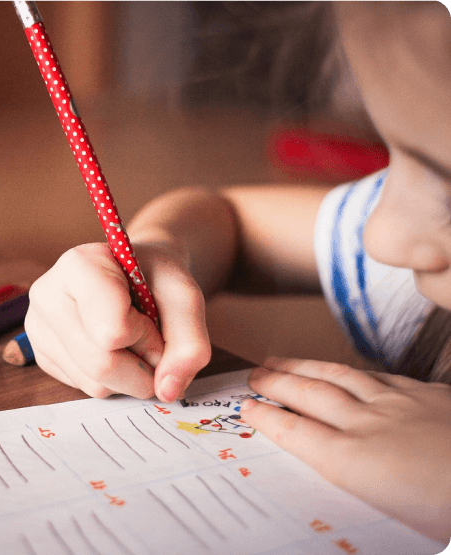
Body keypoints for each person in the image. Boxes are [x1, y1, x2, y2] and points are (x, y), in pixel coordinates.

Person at [24, 1, 451, 544]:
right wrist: (160, 251)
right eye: (391, 157)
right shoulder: (415, 256)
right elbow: (229, 220)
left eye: (446, 186)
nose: (378, 235)